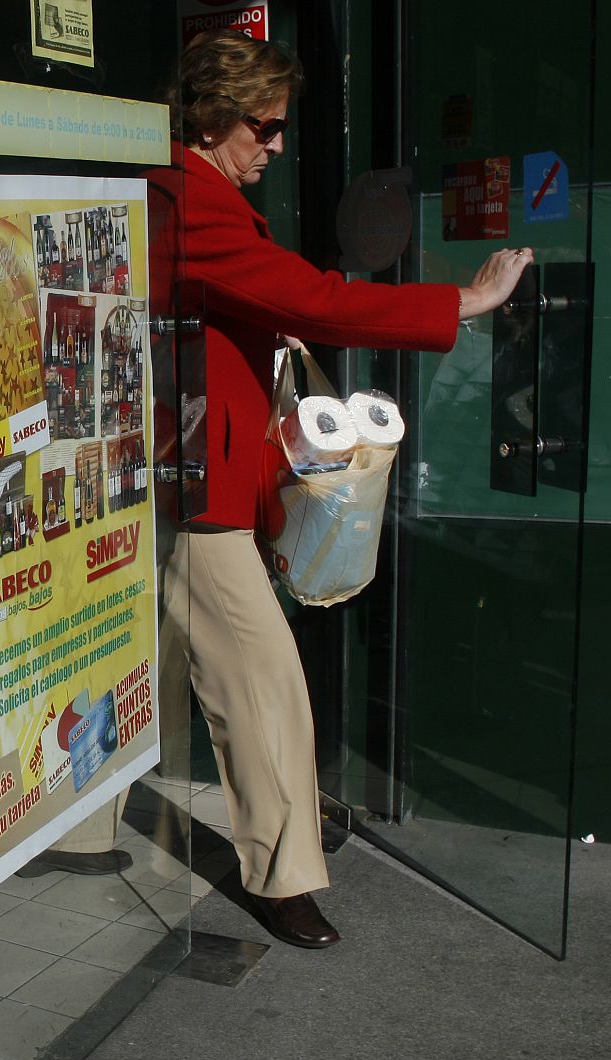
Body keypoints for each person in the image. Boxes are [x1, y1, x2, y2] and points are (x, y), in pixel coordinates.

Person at [141, 29, 531, 948]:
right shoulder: (185, 200)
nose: (276, 145)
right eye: (264, 126)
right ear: (210, 113)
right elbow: (309, 298)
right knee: (264, 677)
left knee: (165, 664)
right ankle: (283, 875)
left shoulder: (193, 192)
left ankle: (90, 828)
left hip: (202, 471)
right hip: (193, 484)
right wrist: (457, 305)